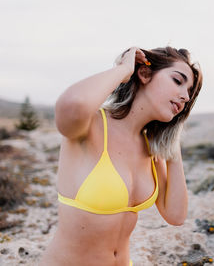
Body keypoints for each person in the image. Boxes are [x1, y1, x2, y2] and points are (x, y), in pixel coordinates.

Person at [39, 46, 203, 266]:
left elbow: (176, 215)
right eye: (177, 81)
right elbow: (72, 104)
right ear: (144, 74)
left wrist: (171, 140)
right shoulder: (91, 126)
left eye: (189, 93)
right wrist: (124, 70)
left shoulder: (151, 148)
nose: (185, 97)